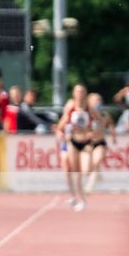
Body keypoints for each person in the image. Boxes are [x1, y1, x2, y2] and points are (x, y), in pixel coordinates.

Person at [56, 83, 94, 211]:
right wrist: (64, 135)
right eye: (77, 92)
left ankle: (80, 193)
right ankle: (74, 196)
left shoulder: (89, 108)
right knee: (68, 169)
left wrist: (92, 132)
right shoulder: (70, 107)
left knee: (83, 169)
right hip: (69, 142)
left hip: (82, 142)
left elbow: (98, 122)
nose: (79, 94)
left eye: (82, 92)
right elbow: (60, 127)